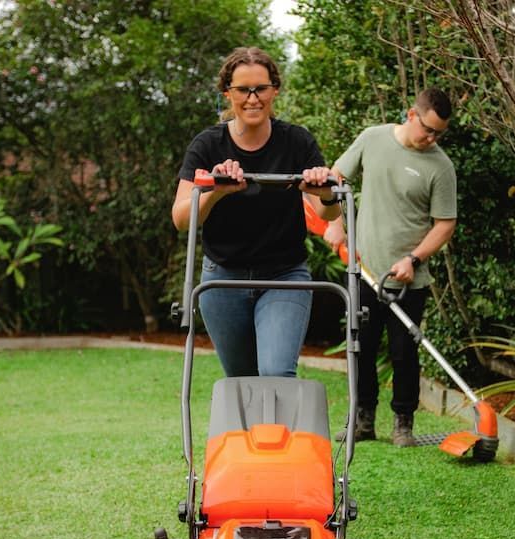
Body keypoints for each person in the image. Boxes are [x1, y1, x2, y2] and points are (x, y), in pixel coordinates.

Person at [172, 46, 341, 378]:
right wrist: (215, 192)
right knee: (241, 379)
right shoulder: (207, 145)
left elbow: (329, 212)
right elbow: (181, 219)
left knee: (276, 374)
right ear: (227, 93)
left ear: (274, 90)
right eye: (242, 90)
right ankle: (245, 433)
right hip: (222, 279)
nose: (252, 98)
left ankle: (278, 432)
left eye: (260, 89)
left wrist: (325, 191)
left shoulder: (297, 142)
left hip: (284, 276)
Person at [325, 88, 457, 446]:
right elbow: (335, 179)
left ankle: (403, 424)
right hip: (364, 269)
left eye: (439, 133)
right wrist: (336, 223)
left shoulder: (441, 167)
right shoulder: (373, 139)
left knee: (404, 351)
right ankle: (362, 420)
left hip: (407, 279)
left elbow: (445, 223)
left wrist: (413, 259)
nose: (432, 138)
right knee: (361, 347)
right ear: (412, 114)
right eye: (428, 129)